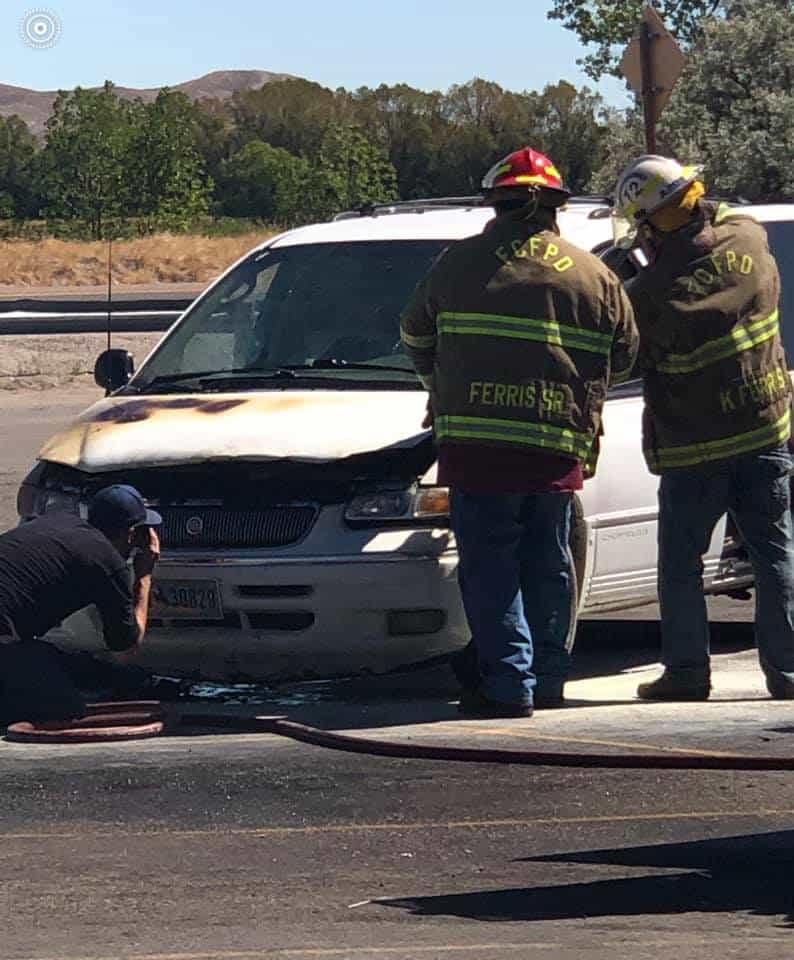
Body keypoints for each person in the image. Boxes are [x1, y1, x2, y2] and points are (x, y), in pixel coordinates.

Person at [400, 146, 638, 718]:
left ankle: (509, 685)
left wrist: (444, 382)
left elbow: (414, 334)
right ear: (555, 207)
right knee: (549, 562)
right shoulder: (593, 274)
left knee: (490, 569)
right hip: (556, 446)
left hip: (478, 449)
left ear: (495, 204)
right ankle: (549, 679)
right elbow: (626, 356)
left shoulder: (458, 265)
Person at [614, 154, 794, 701]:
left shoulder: (651, 294)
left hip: (695, 449)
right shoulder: (749, 238)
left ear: (656, 220)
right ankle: (788, 674)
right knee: (775, 554)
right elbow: (727, 216)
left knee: (680, 567)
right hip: (765, 430)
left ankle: (688, 675)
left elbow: (625, 363)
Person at [0, 484, 163, 725]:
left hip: (11, 637)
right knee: (64, 710)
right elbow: (125, 645)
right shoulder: (106, 560)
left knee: (53, 659)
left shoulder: (57, 522)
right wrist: (144, 575)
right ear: (131, 534)